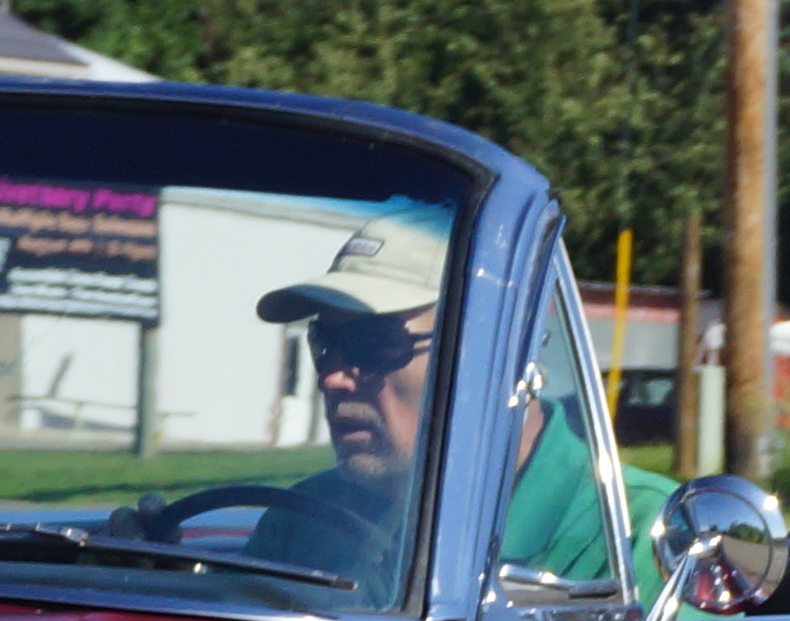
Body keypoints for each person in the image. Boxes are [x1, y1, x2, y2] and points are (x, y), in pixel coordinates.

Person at [236, 231, 649, 601]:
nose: (332, 377)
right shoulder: (301, 522)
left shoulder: (639, 539)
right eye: (323, 343)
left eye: (373, 343)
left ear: (501, 354)